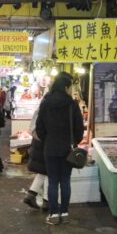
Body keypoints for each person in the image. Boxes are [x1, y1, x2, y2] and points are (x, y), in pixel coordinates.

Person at [35, 72, 84, 225]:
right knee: (65, 181)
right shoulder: (72, 104)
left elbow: (39, 127)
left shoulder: (46, 102)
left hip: (50, 147)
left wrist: (47, 139)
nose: (71, 89)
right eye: (70, 87)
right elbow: (79, 128)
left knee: (53, 181)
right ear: (65, 87)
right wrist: (74, 141)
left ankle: (54, 214)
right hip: (67, 148)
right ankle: (65, 212)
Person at [23, 107, 47, 210]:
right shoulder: (49, 107)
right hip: (46, 144)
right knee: (49, 172)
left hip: (37, 143)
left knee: (43, 171)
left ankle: (31, 195)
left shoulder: (40, 108)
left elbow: (32, 129)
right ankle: (47, 201)